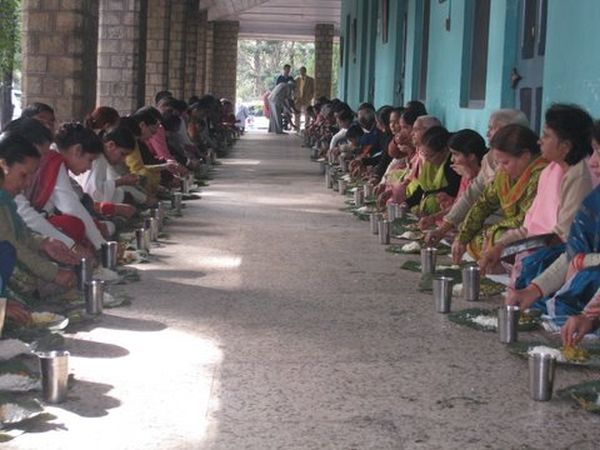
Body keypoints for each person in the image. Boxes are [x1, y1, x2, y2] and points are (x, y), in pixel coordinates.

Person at [478, 104, 594, 275]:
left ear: (565, 146)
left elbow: (562, 237)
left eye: (546, 136)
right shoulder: (549, 171)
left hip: (561, 257)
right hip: (540, 248)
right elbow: (529, 226)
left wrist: (517, 255)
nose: (539, 141)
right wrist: (500, 247)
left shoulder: (579, 177)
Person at [507, 119, 600, 331]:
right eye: (594, 151)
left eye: (599, 152)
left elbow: (563, 241)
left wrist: (589, 315)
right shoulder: (595, 201)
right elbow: (573, 252)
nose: (593, 161)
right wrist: (533, 290)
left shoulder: (579, 176)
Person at [425, 109, 530, 246]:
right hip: (493, 223)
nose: (487, 134)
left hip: (519, 229)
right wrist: (443, 229)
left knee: (488, 236)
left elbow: (526, 218)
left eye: (492, 128)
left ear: (510, 132)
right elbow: (476, 196)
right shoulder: (490, 159)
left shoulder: (535, 170)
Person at [452, 124, 547, 263]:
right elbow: (484, 204)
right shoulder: (504, 176)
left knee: (494, 237)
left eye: (505, 162)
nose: (501, 168)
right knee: (471, 233)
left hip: (533, 236)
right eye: (498, 163)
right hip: (509, 229)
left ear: (525, 156)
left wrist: (494, 231)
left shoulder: (541, 174)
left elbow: (525, 220)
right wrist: (462, 238)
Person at [0, 134, 76, 295]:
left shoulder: (7, 202)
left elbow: (23, 235)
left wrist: (45, 242)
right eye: (23, 175)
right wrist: (53, 274)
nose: (28, 184)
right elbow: (12, 246)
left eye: (31, 177)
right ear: (3, 166)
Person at [418, 129, 487, 231]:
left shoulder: (486, 175)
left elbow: (476, 207)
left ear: (471, 156)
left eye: (456, 154)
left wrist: (472, 178)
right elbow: (459, 205)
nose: (451, 159)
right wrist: (433, 218)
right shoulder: (465, 174)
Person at [404, 126, 462, 215]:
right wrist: (407, 203)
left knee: (433, 202)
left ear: (444, 151)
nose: (427, 160)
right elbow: (422, 189)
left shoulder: (452, 165)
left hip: (451, 209)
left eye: (431, 156)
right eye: (425, 155)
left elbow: (454, 191)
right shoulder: (429, 163)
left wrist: (429, 196)